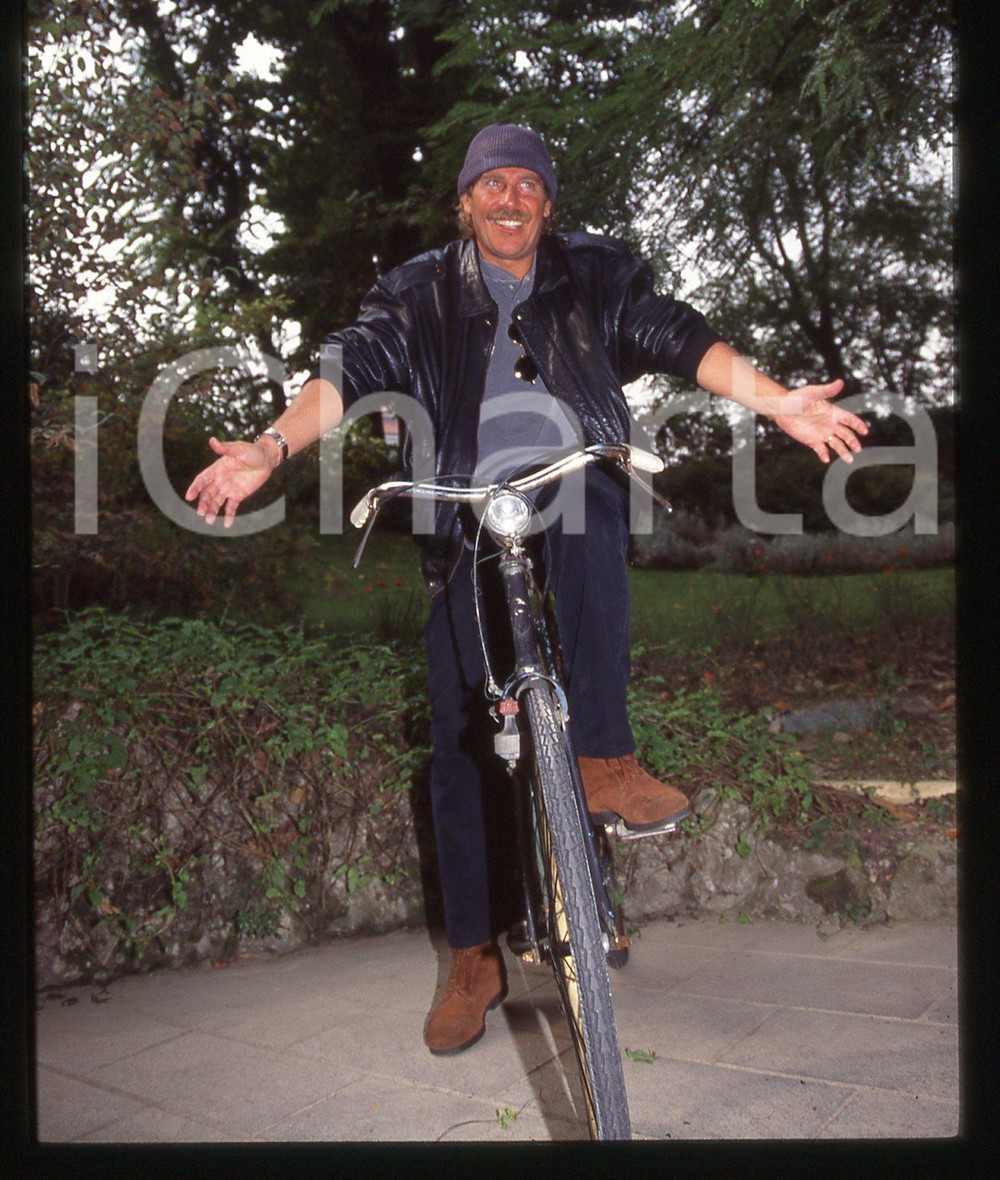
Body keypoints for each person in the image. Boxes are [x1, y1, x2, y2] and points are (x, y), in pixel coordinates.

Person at [186, 123, 867, 1056]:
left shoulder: (590, 274)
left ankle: (603, 759)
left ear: (549, 203)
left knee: (589, 499)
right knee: (461, 736)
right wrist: (269, 447)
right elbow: (347, 372)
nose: (511, 200)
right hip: (462, 512)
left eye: (529, 186)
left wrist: (779, 398)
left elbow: (675, 336)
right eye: (492, 184)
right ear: (465, 202)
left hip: (569, 484)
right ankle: (474, 955)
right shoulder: (418, 291)